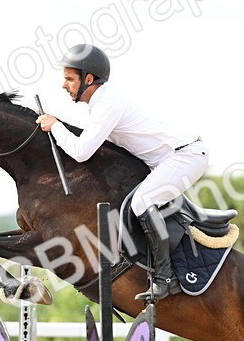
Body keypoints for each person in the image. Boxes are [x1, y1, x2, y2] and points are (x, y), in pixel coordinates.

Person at [35, 44, 209, 300]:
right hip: (170, 159)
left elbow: (82, 151)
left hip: (185, 156)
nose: (64, 85)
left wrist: (56, 126)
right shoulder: (101, 103)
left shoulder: (107, 103)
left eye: (69, 79)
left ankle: (165, 279)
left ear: (88, 79)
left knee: (142, 202)